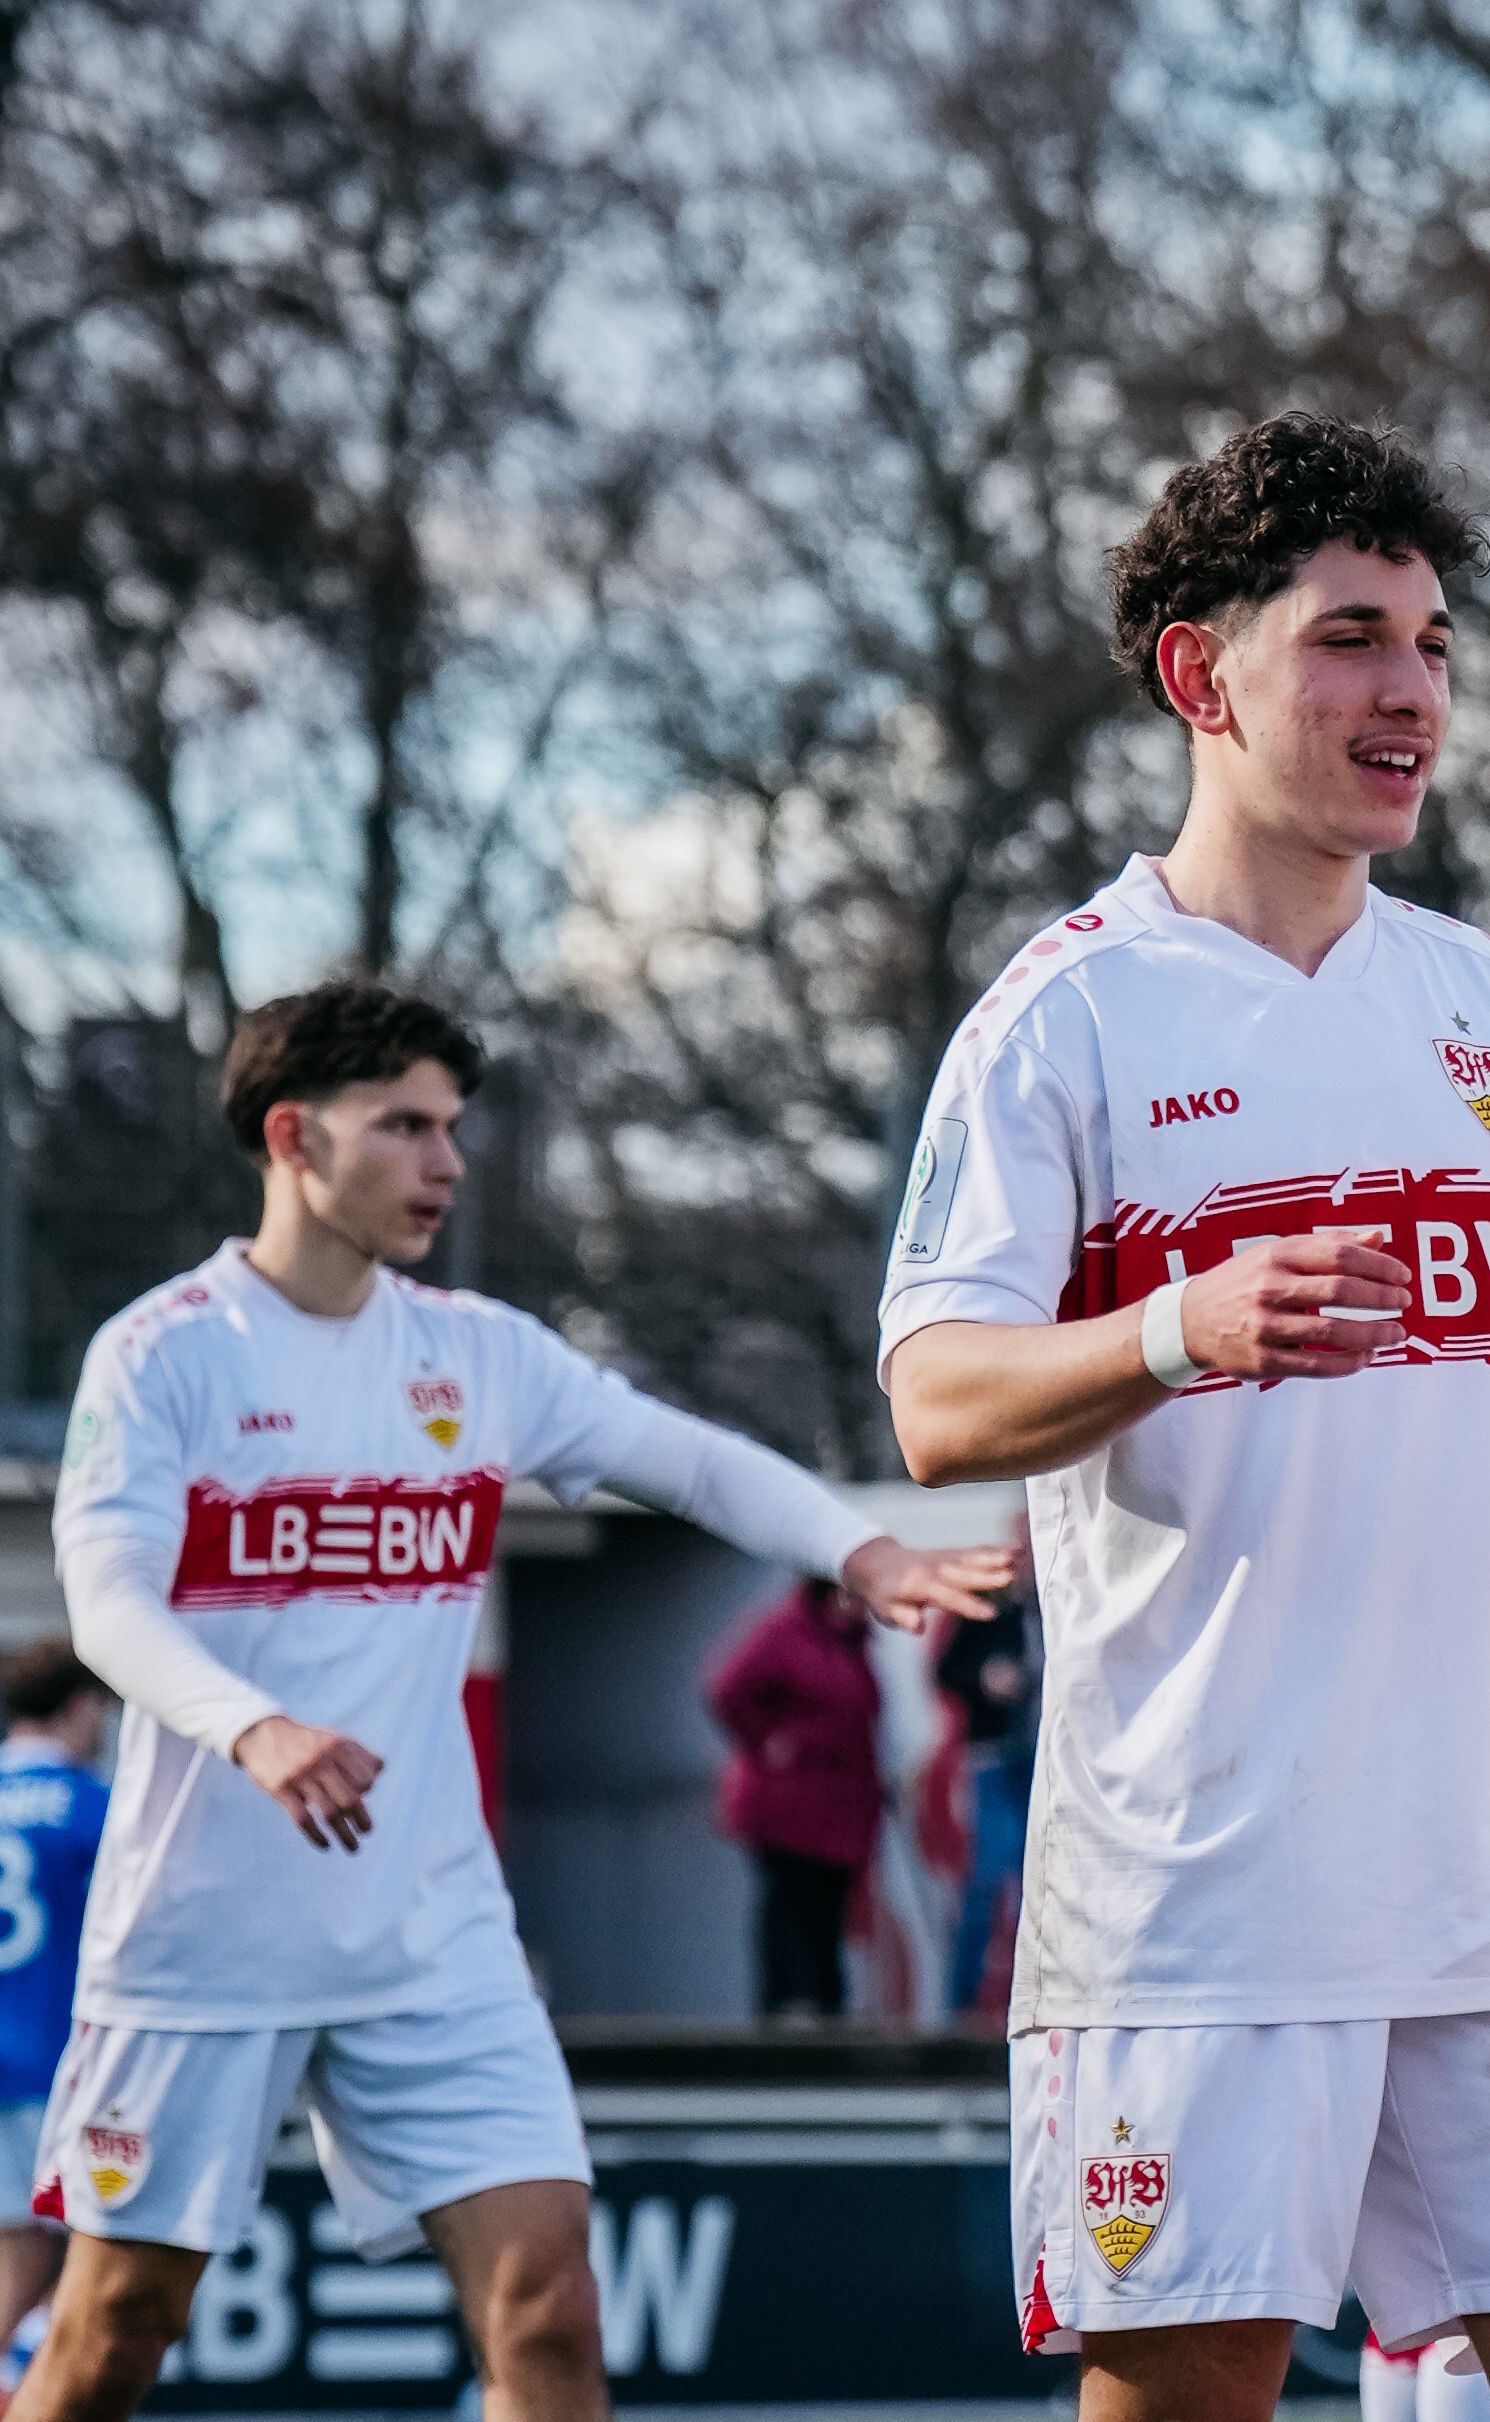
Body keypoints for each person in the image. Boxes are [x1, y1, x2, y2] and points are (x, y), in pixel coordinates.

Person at [875, 410, 1490, 2422]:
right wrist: (1171, 1330)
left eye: (1427, 639)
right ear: (1195, 674)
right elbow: (937, 1399)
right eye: (1344, 638)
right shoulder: (1067, 1016)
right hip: (1206, 1891)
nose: (1408, 689)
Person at [38, 978, 1010, 2421]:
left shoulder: (474, 1352)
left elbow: (679, 1455)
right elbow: (105, 1601)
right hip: (202, 1941)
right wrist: (255, 1723)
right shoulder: (166, 1351)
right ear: (294, 1137)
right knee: (110, 2337)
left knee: (548, 2310)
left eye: (454, 1126)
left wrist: (860, 1549)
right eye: (406, 1127)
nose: (448, 1161)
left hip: (434, 1936)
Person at [0, 1647, 113, 2376]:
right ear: (78, 1707)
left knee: (21, 2251)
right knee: (71, 2253)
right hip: (60, 2067)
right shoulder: (91, 1809)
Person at [708, 1577, 886, 2020]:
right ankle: (788, 2010)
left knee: (825, 1911)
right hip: (787, 1804)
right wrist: (767, 1741)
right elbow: (727, 1689)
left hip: (838, 1809)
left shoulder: (851, 1643)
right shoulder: (782, 1632)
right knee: (791, 1907)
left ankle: (824, 2008)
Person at [935, 1523, 1040, 2016]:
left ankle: (1029, 2002)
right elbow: (946, 1671)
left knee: (1040, 1884)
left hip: (1046, 1761)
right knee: (988, 1878)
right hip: (997, 1757)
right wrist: (986, 1677)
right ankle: (961, 2004)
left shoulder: (1063, 1603)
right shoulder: (986, 1607)